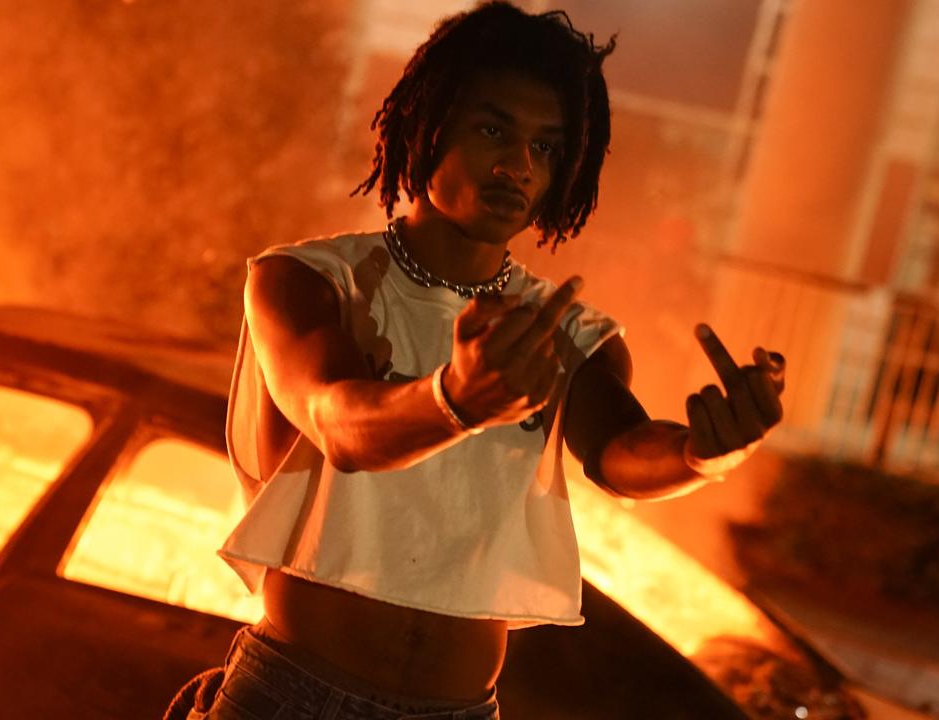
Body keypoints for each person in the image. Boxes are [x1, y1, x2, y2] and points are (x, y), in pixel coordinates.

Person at [169, 2, 786, 718]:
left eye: (547, 147)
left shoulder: (568, 331)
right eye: (495, 130)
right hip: (297, 692)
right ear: (429, 127)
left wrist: (706, 455)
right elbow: (337, 421)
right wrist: (456, 400)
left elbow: (621, 454)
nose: (519, 165)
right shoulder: (308, 281)